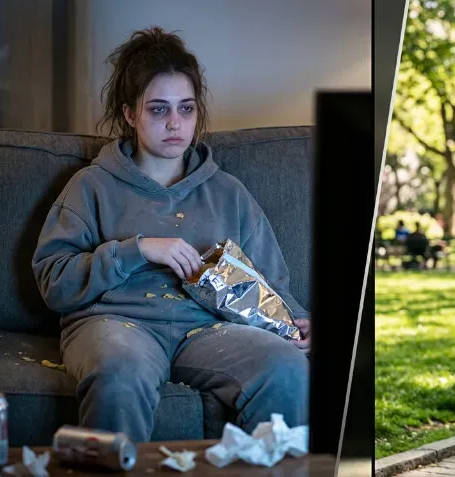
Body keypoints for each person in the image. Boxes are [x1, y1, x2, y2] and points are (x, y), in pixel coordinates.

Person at [31, 28, 311, 443]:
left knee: (287, 368)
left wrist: (297, 323)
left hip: (209, 332)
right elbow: (55, 283)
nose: (175, 123)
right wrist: (138, 250)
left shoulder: (228, 193)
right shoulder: (91, 186)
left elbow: (272, 281)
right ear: (130, 114)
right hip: (114, 325)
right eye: (158, 109)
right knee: (118, 372)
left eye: (186, 108)